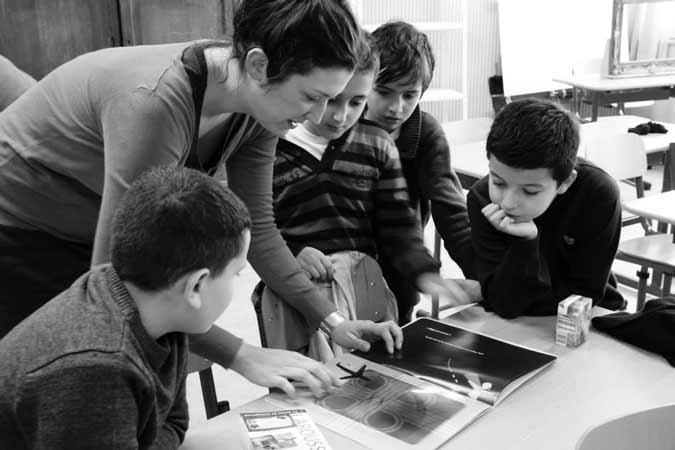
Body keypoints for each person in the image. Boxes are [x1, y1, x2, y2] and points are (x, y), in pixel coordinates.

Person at [0, 0, 397, 388]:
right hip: (21, 225)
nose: (320, 115)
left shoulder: (259, 102)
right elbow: (120, 284)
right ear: (260, 65)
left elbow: (257, 226)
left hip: (92, 221)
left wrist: (333, 320)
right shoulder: (154, 105)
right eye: (312, 97)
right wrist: (241, 354)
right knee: (69, 377)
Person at [0, 166, 340, 449]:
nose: (237, 281)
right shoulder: (96, 366)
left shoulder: (163, 314)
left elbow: (173, 424)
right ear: (195, 286)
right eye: (236, 274)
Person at [267, 33, 464, 359]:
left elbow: (399, 227)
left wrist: (423, 273)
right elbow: (253, 227)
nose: (341, 115)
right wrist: (293, 251)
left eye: (356, 102)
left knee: (372, 379)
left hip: (365, 291)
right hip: (295, 298)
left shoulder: (378, 145)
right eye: (332, 99)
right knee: (302, 390)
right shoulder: (271, 144)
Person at [467, 98, 625, 319]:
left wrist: (504, 297)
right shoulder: (482, 200)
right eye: (498, 182)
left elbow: (584, 295)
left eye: (530, 191)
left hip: (588, 318)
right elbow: (504, 303)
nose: (508, 202)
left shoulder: (598, 193)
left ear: (565, 182)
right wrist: (526, 243)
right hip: (516, 325)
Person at [364, 21, 479, 323]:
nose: (396, 107)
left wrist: (483, 277)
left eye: (409, 95)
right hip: (344, 269)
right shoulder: (342, 126)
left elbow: (451, 209)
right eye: (384, 92)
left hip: (402, 268)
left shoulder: (426, 133)